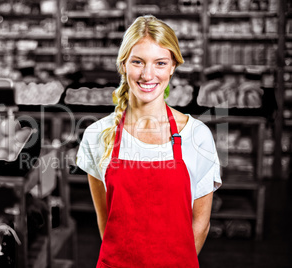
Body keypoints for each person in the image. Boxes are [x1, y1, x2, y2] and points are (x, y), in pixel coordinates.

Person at [76, 15, 222, 267]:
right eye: (138, 62)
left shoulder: (197, 135)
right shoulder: (97, 135)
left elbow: (201, 224)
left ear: (173, 66)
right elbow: (105, 222)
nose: (147, 74)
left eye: (160, 63)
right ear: (123, 65)